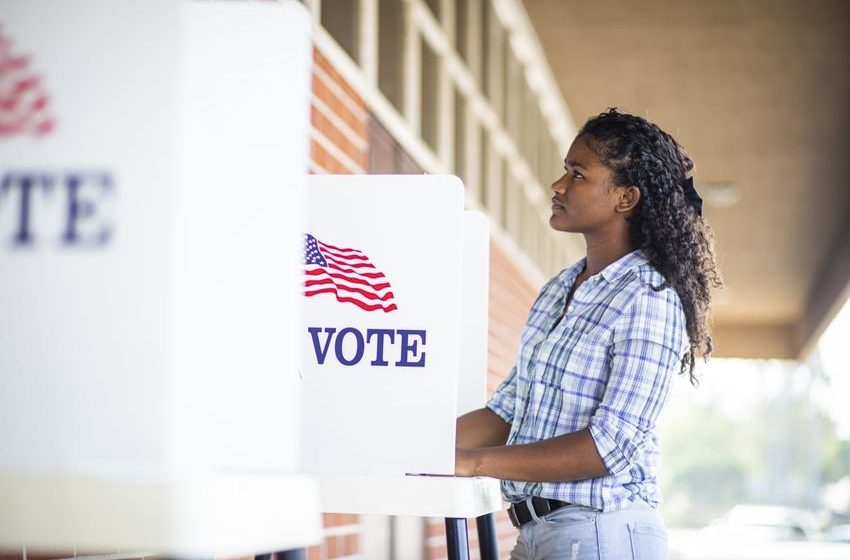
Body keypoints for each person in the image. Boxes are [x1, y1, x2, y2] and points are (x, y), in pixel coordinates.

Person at [454, 108, 722, 559]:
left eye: (577, 174)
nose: (558, 186)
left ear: (626, 198)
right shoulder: (558, 289)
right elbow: (507, 411)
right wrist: (419, 446)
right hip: (536, 533)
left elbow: (609, 446)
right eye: (565, 171)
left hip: (602, 536)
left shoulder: (649, 298)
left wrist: (474, 463)